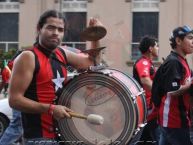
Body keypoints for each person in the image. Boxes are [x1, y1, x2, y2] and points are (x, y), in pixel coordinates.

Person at [8, 10, 104, 145]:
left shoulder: (61, 53)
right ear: (39, 29)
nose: (56, 33)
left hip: (62, 135)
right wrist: (51, 109)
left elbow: (93, 62)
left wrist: (96, 35)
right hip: (39, 139)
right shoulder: (28, 57)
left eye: (60, 29)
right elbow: (14, 100)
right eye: (50, 28)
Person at [156, 25, 193, 145]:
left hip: (178, 119)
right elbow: (173, 91)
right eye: (190, 38)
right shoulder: (173, 62)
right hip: (173, 120)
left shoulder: (182, 61)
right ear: (178, 41)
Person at [133, 36, 160, 145]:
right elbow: (145, 81)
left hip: (150, 109)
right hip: (147, 110)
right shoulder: (143, 63)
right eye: (156, 46)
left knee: (147, 139)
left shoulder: (148, 63)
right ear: (150, 48)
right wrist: (161, 93)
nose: (158, 48)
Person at [0, 50, 23, 145]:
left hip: (16, 96)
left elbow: (5, 81)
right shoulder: (20, 65)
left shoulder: (9, 67)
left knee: (20, 126)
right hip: (19, 97)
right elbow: (5, 81)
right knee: (17, 126)